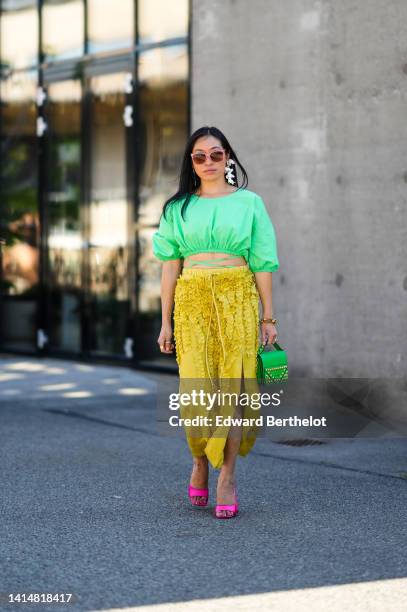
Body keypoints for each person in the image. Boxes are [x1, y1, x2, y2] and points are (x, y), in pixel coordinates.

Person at [152, 126, 280, 519]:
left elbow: (262, 262)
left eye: (216, 154)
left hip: (237, 297)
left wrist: (268, 317)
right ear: (190, 163)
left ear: (229, 159)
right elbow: (170, 268)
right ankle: (199, 461)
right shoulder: (178, 208)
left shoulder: (250, 203)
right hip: (192, 302)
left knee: (233, 392)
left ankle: (227, 474)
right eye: (199, 156)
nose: (208, 162)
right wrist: (165, 322)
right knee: (196, 393)